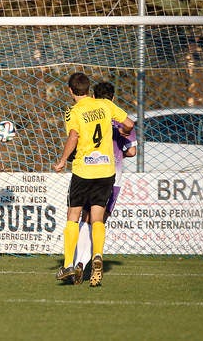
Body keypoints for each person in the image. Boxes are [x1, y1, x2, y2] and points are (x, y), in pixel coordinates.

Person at [53, 73, 134, 287]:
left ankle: (68, 264)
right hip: (106, 171)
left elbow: (74, 136)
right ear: (88, 89)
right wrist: (124, 131)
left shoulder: (73, 111)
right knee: (97, 218)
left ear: (70, 90)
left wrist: (62, 160)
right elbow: (129, 123)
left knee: (73, 216)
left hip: (84, 170)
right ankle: (97, 255)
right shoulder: (105, 105)